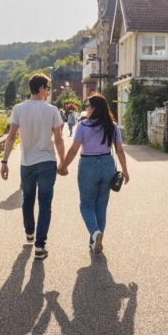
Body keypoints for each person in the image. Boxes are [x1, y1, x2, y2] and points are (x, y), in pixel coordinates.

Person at [1, 74, 65, 260]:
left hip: (27, 163)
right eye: (48, 88)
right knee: (45, 204)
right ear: (42, 88)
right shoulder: (52, 110)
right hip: (47, 162)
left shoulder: (19, 109)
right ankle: (39, 246)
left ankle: (29, 232)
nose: (49, 91)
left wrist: (4, 162)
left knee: (28, 200)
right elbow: (59, 140)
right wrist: (62, 162)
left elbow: (11, 137)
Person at [57, 93, 129, 254]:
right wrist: (125, 171)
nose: (86, 109)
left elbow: (74, 149)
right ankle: (94, 241)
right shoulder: (113, 126)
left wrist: (63, 166)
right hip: (107, 166)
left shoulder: (83, 126)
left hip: (88, 166)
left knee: (86, 205)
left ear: (95, 108)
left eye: (88, 106)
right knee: (101, 205)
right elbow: (120, 151)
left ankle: (95, 233)